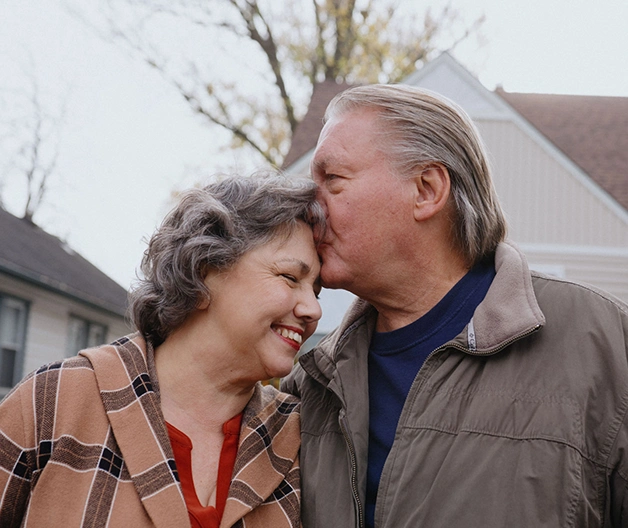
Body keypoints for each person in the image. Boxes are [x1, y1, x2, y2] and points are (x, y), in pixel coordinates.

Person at [281, 84, 628, 527]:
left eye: (332, 180)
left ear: (426, 189)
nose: (310, 206)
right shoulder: (309, 386)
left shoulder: (603, 346)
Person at [0, 173, 324, 528]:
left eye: (317, 290)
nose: (313, 309)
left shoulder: (303, 440)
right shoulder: (54, 402)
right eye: (291, 278)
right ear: (204, 272)